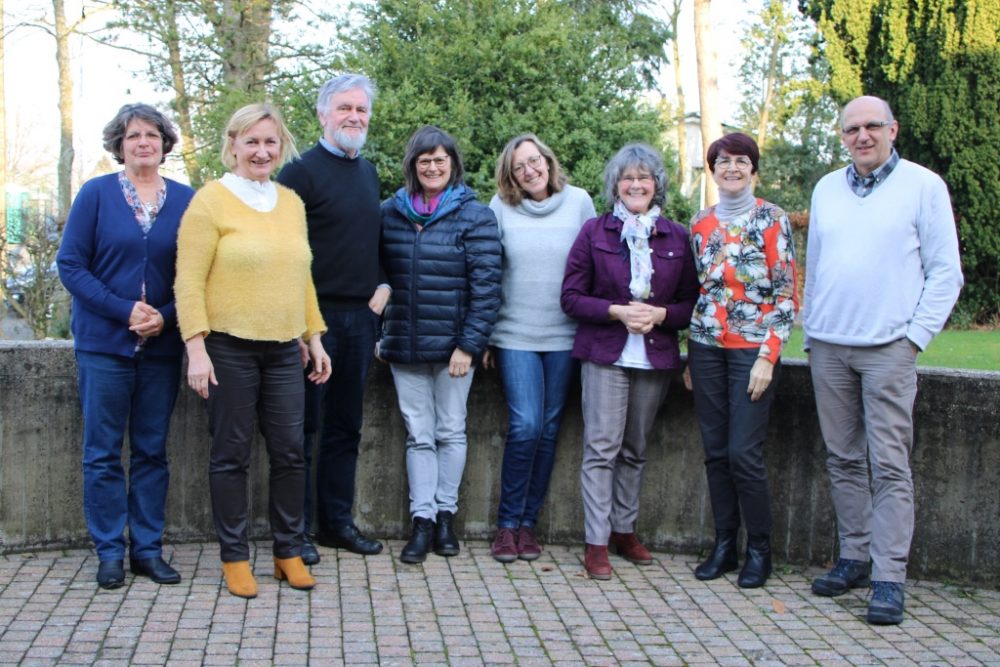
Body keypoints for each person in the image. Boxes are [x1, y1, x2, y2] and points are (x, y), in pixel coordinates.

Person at [804, 96, 963, 625]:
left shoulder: (923, 186)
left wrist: (913, 339)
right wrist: (811, 332)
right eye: (852, 128)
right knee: (843, 458)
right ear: (843, 135)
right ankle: (854, 557)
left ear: (893, 129)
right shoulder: (827, 188)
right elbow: (818, 265)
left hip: (889, 349)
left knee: (890, 465)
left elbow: (946, 273)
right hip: (828, 345)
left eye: (873, 126)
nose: (862, 135)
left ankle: (889, 578)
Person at [175, 104, 332, 599]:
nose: (262, 151)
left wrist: (314, 336)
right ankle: (235, 558)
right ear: (233, 145)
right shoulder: (210, 202)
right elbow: (188, 280)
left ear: (281, 146)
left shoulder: (290, 202)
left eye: (270, 142)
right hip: (228, 348)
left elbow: (301, 274)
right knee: (231, 456)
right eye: (252, 142)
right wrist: (196, 348)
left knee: (290, 454)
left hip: (286, 350)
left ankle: (287, 552)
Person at [57, 103, 195, 590]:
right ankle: (110, 551)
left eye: (153, 135)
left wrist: (166, 316)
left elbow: (198, 274)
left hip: (161, 347)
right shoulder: (95, 195)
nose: (144, 143)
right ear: (119, 144)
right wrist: (123, 310)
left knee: (152, 451)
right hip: (104, 346)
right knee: (101, 453)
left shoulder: (185, 199)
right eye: (134, 135)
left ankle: (148, 550)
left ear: (164, 144)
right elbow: (71, 265)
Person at [561, 143, 699, 580]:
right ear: (615, 186)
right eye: (627, 178)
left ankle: (624, 530)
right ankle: (596, 541)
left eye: (644, 177)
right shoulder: (593, 233)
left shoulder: (677, 236)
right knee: (601, 449)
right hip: (605, 354)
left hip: (654, 358)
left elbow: (691, 302)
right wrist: (617, 311)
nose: (636, 184)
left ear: (657, 184)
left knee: (635, 450)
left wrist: (660, 315)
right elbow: (570, 297)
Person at [379, 125, 502, 564]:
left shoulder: (476, 215)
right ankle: (422, 521)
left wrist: (469, 345)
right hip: (405, 347)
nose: (432, 167)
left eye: (440, 159)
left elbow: (487, 288)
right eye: (424, 160)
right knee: (419, 436)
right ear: (413, 166)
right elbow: (373, 271)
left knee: (450, 430)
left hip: (454, 350)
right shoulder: (389, 213)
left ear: (453, 164)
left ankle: (447, 516)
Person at [276, 73, 386, 563]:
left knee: (345, 427)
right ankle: (295, 530)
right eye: (344, 108)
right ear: (323, 114)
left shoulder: (368, 173)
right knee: (303, 429)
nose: (354, 118)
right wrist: (300, 324)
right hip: (311, 323)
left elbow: (373, 241)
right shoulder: (298, 173)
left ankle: (335, 524)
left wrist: (383, 288)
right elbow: (282, 251)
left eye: (361, 110)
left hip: (360, 322)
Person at [687, 132, 798, 588]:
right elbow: (700, 289)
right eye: (722, 161)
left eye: (740, 161)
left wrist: (768, 357)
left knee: (743, 454)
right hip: (706, 346)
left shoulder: (773, 220)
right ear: (712, 171)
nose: (731, 167)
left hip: (753, 350)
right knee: (715, 454)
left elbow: (787, 295)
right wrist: (690, 356)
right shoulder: (699, 223)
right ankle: (724, 545)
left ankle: (760, 551)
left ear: (753, 169)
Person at [485, 133, 596, 563]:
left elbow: (594, 266)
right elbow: (490, 271)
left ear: (548, 161)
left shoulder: (579, 202)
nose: (530, 171)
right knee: (526, 425)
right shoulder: (500, 208)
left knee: (550, 430)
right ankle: (506, 524)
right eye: (519, 167)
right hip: (515, 336)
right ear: (510, 175)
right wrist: (487, 334)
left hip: (566, 336)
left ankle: (528, 525)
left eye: (534, 161)